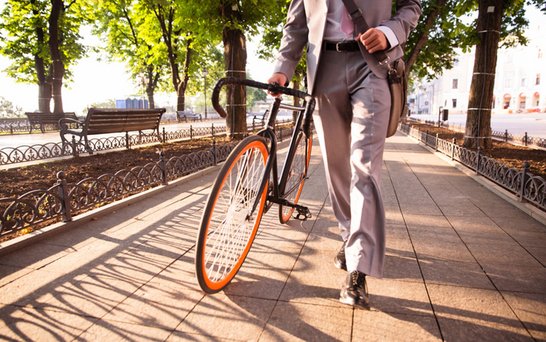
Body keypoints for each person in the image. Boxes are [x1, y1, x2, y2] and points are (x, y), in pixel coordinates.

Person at [268, 0, 421, 308]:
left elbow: (411, 6)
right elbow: (297, 24)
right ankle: (350, 237)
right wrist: (282, 69)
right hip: (324, 70)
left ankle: (358, 268)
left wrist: (390, 32)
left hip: (374, 65)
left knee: (364, 166)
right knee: (337, 167)